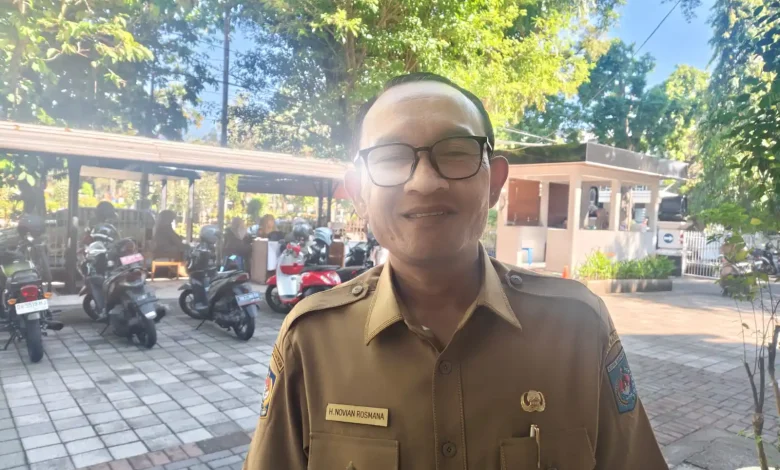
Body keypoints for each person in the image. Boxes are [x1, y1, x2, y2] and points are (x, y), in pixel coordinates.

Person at [243, 73, 666, 469]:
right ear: (359, 194)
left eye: (456, 153)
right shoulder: (311, 340)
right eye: (391, 158)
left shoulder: (578, 328)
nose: (425, 183)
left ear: (495, 183)